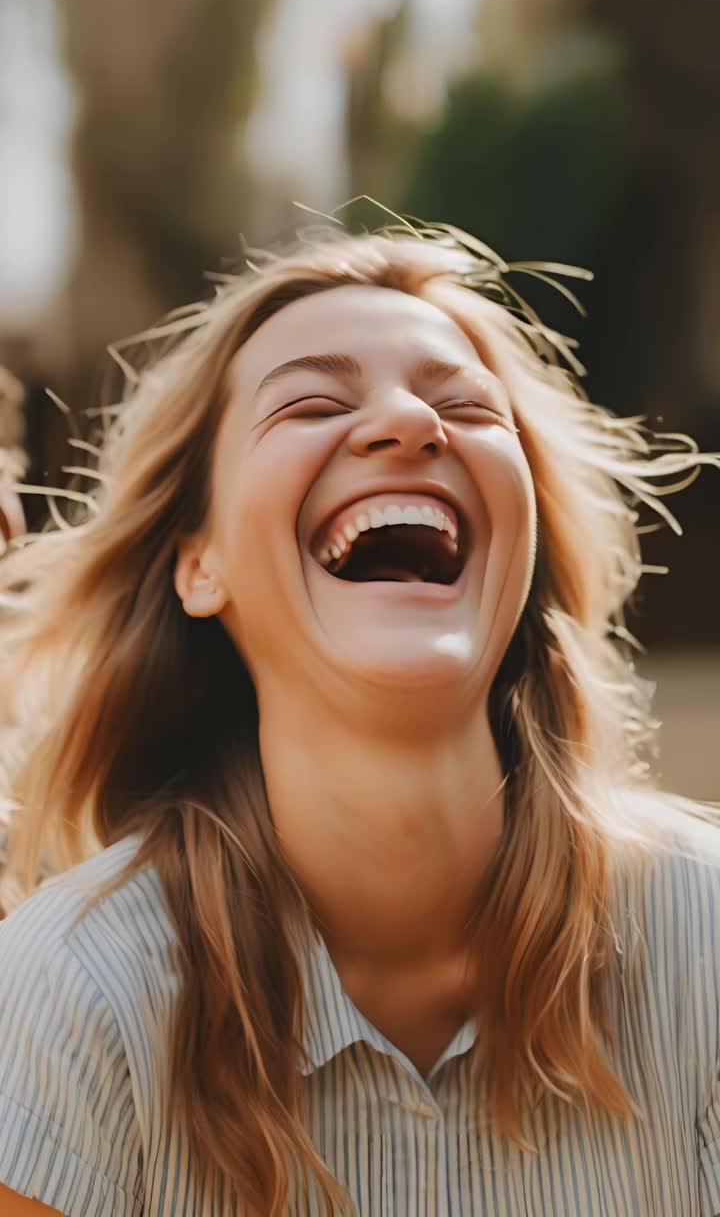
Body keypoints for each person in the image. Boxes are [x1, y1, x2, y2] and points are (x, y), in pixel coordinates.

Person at [0, 222, 718, 1217]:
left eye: (465, 404)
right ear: (198, 564)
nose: (410, 423)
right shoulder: (68, 993)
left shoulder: (706, 938)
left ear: (525, 543)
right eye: (310, 400)